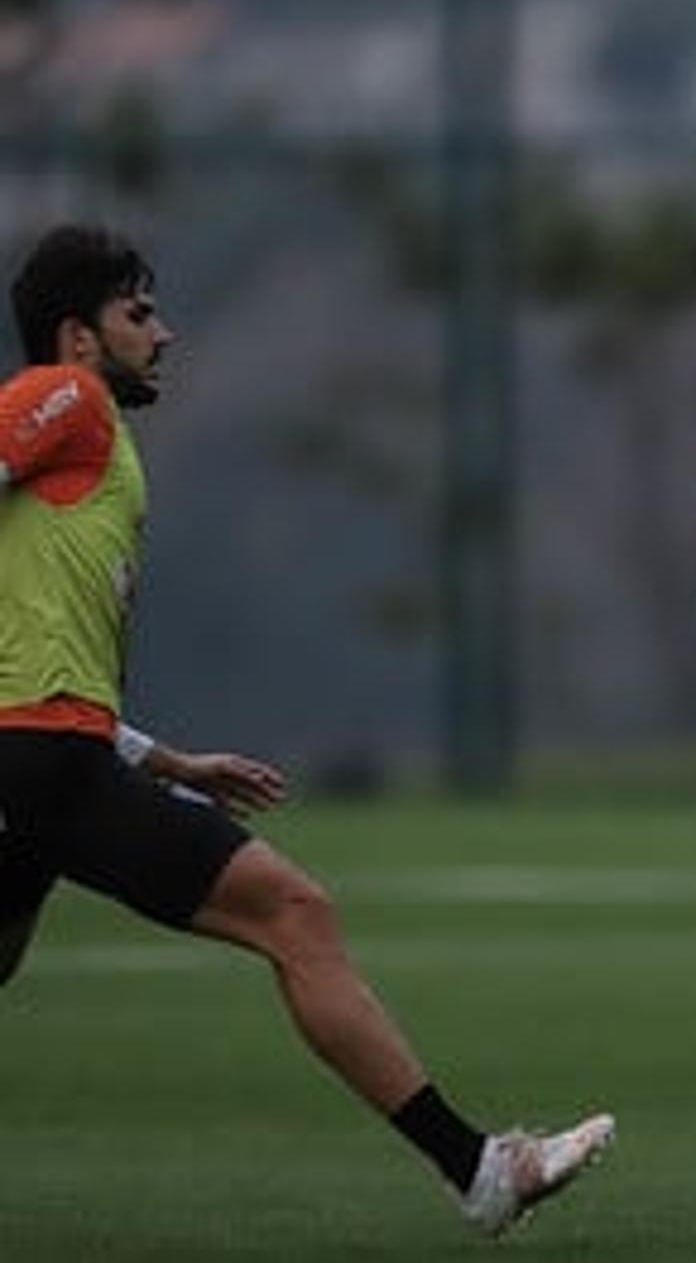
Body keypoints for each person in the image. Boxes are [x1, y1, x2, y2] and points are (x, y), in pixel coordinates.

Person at [0, 225, 614, 1236]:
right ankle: (480, 1170)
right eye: (139, 313)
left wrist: (164, 759)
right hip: (35, 767)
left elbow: (41, 664)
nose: (166, 332)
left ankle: (480, 1173)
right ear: (77, 335)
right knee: (293, 911)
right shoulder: (60, 396)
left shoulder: (89, 437)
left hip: (52, 759)